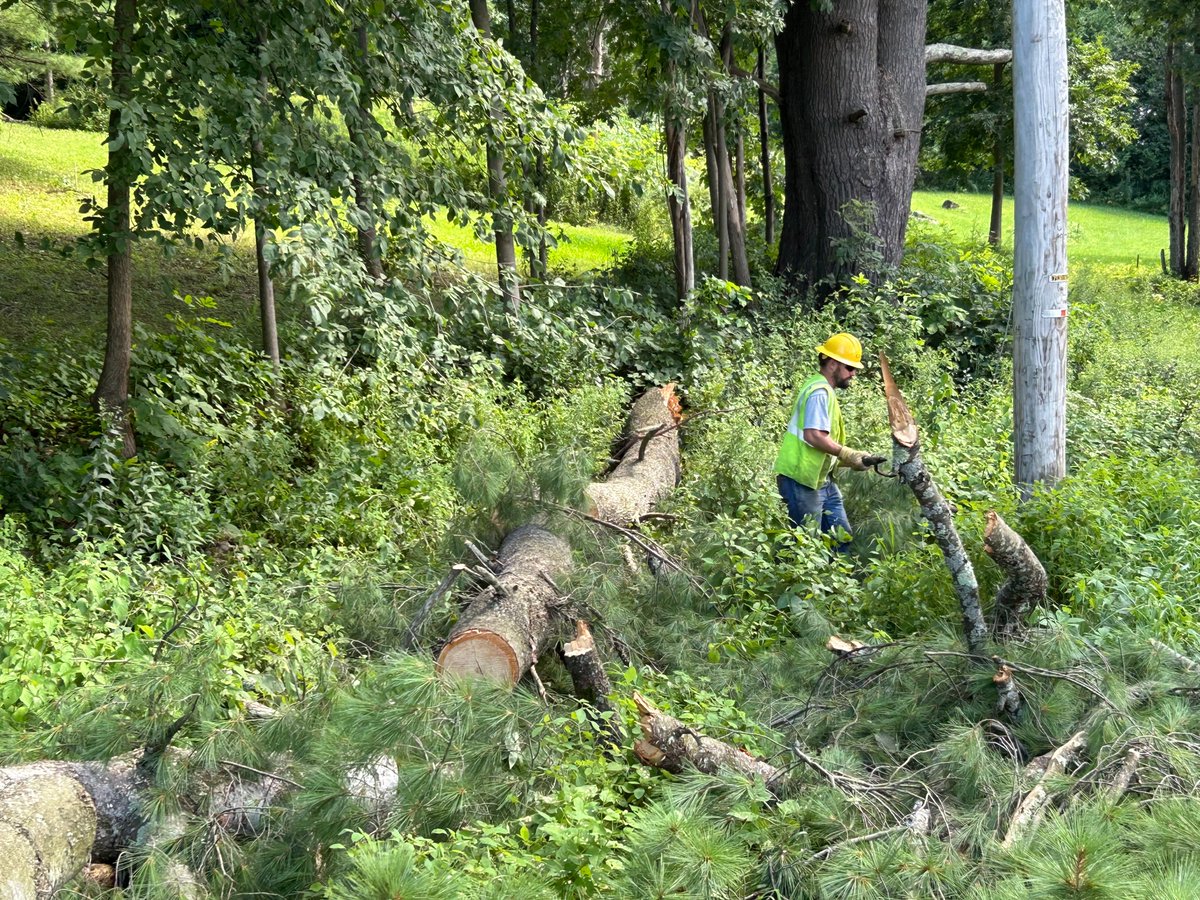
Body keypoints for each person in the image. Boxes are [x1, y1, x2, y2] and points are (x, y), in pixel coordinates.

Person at [774, 332, 885, 543]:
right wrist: (846, 452)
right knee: (804, 544)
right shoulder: (819, 392)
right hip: (801, 480)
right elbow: (813, 436)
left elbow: (820, 443)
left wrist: (849, 460)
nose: (853, 374)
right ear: (833, 364)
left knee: (841, 539)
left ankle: (835, 574)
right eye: (850, 368)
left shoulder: (823, 389)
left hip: (820, 480)